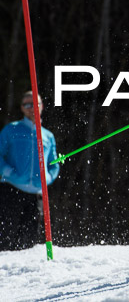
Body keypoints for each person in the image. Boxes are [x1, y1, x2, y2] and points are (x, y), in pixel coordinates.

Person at [0, 92, 60, 250]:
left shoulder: (48, 135)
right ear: (21, 107)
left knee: (28, 242)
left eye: (35, 104)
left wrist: (47, 177)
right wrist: (7, 172)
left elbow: (53, 164)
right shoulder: (11, 129)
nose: (31, 108)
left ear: (42, 106)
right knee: (5, 238)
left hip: (36, 194)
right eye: (27, 104)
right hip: (11, 190)